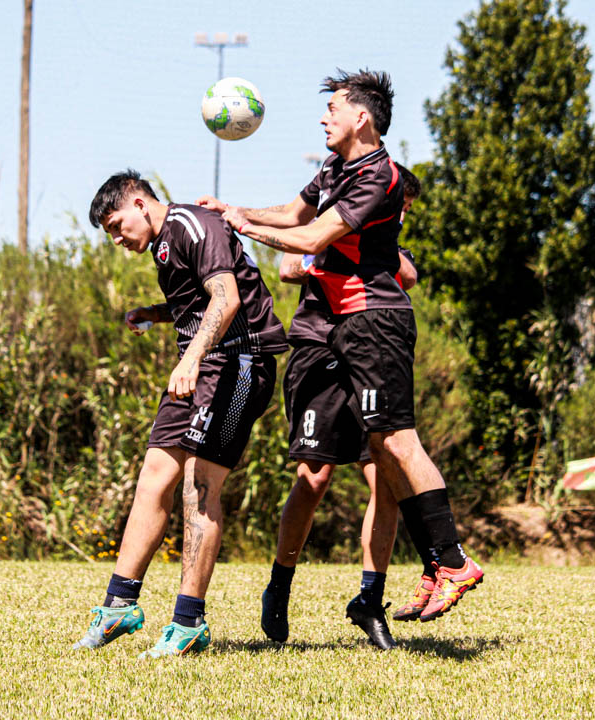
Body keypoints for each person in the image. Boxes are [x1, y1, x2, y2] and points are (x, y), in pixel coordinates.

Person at [202, 69, 483, 629]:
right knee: (374, 450)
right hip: (339, 327)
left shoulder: (379, 175)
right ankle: (437, 566)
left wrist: (245, 228)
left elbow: (310, 239)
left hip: (375, 321)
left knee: (397, 443)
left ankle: (451, 561)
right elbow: (295, 215)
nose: (323, 118)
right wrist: (237, 210)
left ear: (362, 116)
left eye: (332, 109)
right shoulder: (335, 167)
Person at [73, 170, 288, 658]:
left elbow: (226, 298)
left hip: (238, 362)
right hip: (202, 364)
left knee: (199, 487)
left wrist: (189, 360)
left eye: (116, 225)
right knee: (154, 476)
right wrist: (154, 312)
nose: (116, 239)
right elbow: (195, 302)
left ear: (139, 203)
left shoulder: (194, 224)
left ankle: (188, 621)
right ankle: (119, 606)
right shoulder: (164, 245)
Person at [255, 165, 421, 651]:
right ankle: (279, 586)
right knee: (314, 477)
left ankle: (370, 600)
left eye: (405, 210)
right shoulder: (331, 224)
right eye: (398, 206)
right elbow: (289, 266)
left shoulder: (386, 246)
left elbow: (409, 274)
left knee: (386, 477)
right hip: (318, 346)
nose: (399, 215)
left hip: (371, 350)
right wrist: (325, 249)